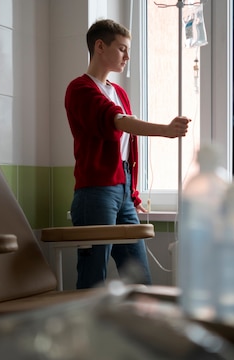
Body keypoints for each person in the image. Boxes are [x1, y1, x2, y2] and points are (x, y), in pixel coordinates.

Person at [65, 19, 190, 289]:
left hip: (122, 191)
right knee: (93, 275)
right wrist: (165, 130)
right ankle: (86, 330)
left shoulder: (118, 92)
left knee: (139, 277)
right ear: (100, 46)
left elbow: (125, 148)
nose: (127, 56)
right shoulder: (80, 89)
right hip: (95, 192)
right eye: (122, 49)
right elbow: (116, 122)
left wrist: (130, 193)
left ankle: (141, 330)